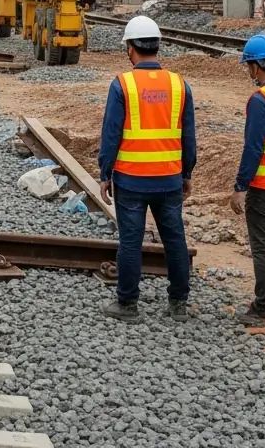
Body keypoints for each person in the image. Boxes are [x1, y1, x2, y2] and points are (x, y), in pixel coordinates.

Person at [98, 16, 195, 323]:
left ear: (130, 48)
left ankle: (128, 304)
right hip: (169, 178)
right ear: (157, 46)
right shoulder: (179, 85)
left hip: (131, 180)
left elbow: (111, 134)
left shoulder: (123, 84)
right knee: (175, 239)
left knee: (130, 241)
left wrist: (104, 173)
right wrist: (187, 173)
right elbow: (188, 136)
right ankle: (179, 304)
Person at [229, 34, 265, 325]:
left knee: (264, 248)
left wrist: (241, 186)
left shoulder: (262, 100)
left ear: (255, 66)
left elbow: (254, 147)